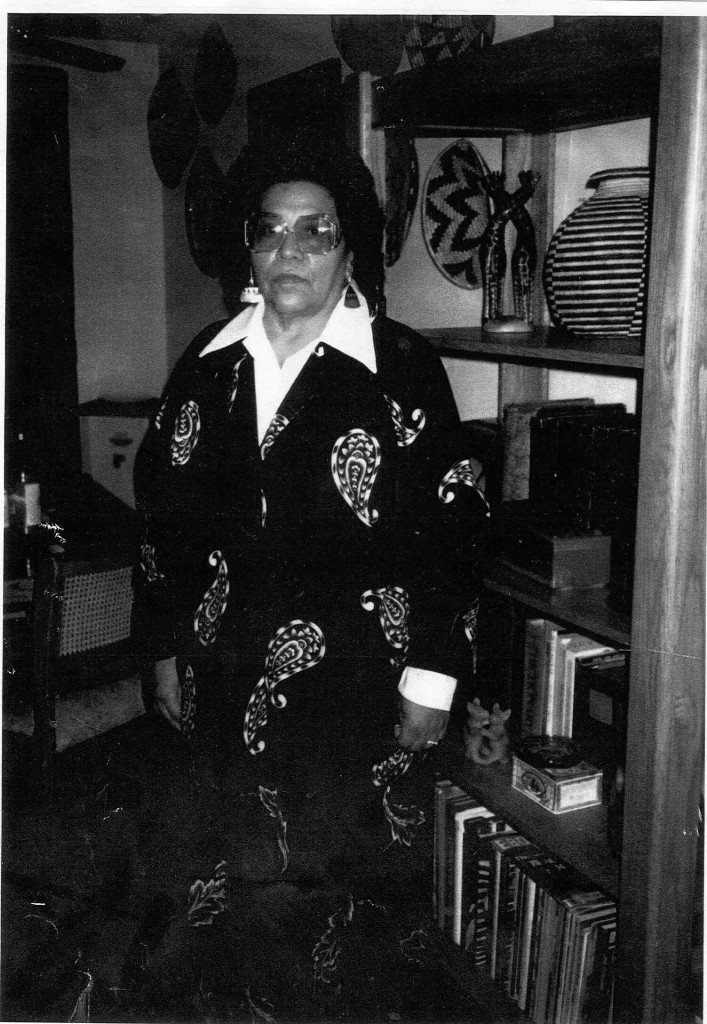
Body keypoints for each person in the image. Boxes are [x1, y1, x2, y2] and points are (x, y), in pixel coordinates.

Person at [131, 133, 487, 1021]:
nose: (288, 250)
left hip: (355, 683)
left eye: (314, 231)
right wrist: (166, 648)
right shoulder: (207, 362)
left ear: (348, 249)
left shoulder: (401, 367)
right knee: (226, 874)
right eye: (270, 230)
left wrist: (432, 679)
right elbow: (163, 520)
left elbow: (453, 531)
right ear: (248, 247)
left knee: (340, 896)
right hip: (221, 668)